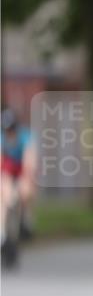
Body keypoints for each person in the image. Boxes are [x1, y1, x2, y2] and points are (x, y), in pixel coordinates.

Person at [1, 108, 37, 251]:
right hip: (8, 168)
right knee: (4, 198)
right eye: (7, 130)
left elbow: (29, 162)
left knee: (25, 191)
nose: (10, 133)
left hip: (22, 167)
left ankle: (26, 220)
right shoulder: (1, 138)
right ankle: (2, 233)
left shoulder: (25, 136)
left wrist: (26, 181)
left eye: (12, 130)